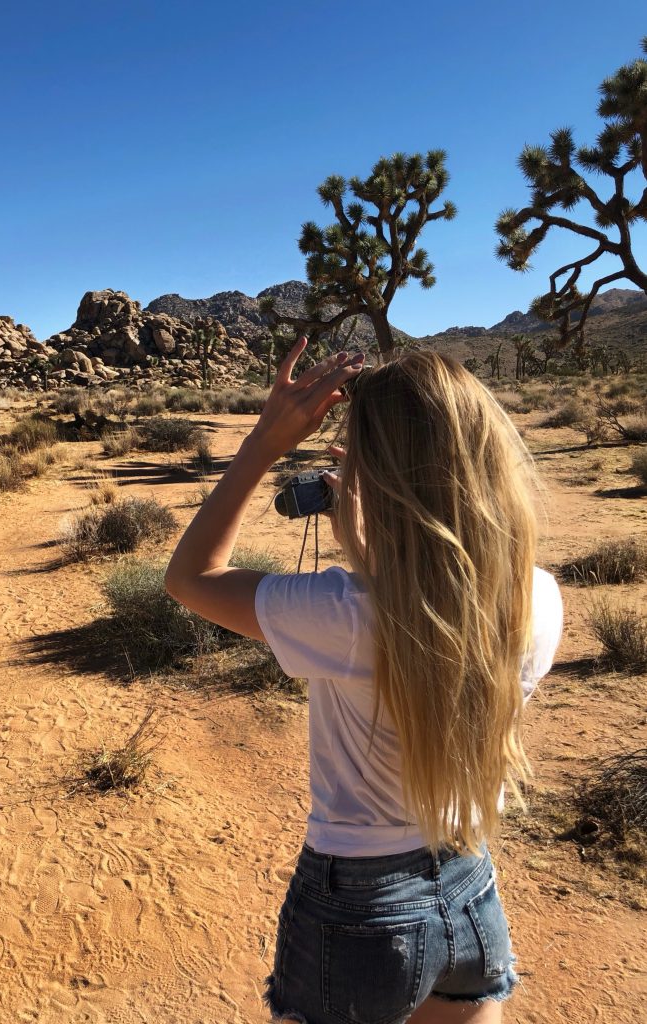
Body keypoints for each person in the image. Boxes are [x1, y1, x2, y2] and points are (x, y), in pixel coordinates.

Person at [164, 338, 563, 1024]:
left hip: (358, 910)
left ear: (379, 480)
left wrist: (264, 442)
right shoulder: (540, 597)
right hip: (470, 889)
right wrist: (377, 515)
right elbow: (435, 603)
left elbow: (190, 576)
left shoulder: (342, 617)